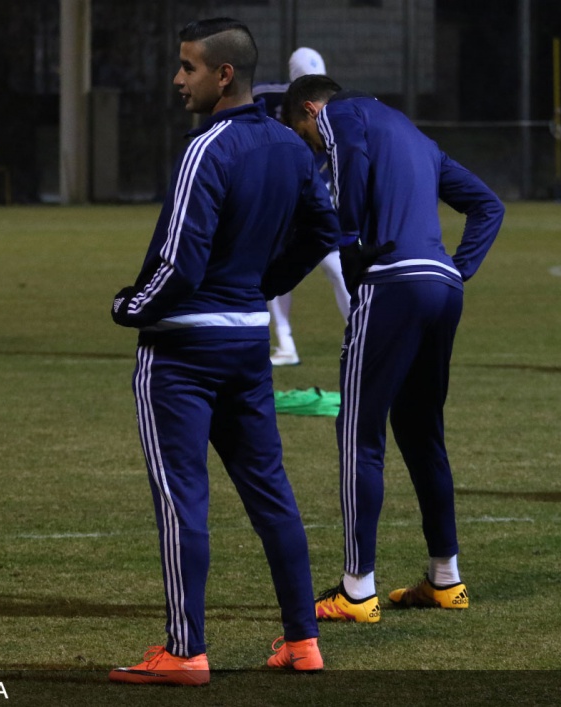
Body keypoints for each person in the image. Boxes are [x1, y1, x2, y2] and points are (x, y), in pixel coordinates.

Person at [108, 18, 341, 685]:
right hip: (244, 341)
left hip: (183, 349)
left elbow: (180, 261)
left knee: (182, 498)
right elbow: (324, 229)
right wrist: (261, 286)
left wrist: (129, 306)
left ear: (224, 74)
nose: (178, 79)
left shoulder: (206, 147)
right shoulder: (290, 145)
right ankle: (302, 640)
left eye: (188, 67)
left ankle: (185, 652)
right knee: (271, 492)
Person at [282, 75, 505, 622]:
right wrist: (458, 268)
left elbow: (350, 164)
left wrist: (349, 244)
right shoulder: (416, 137)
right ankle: (446, 579)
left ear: (311, 110)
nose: (315, 148)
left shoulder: (340, 116)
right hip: (442, 288)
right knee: (422, 432)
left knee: (358, 433)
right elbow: (488, 205)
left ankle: (357, 591)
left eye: (306, 135)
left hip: (393, 284)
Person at [254, 47, 349, 366]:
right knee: (275, 268)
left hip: (317, 193)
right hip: (283, 195)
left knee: (338, 267)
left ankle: (364, 335)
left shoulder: (334, 102)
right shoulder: (265, 97)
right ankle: (285, 344)